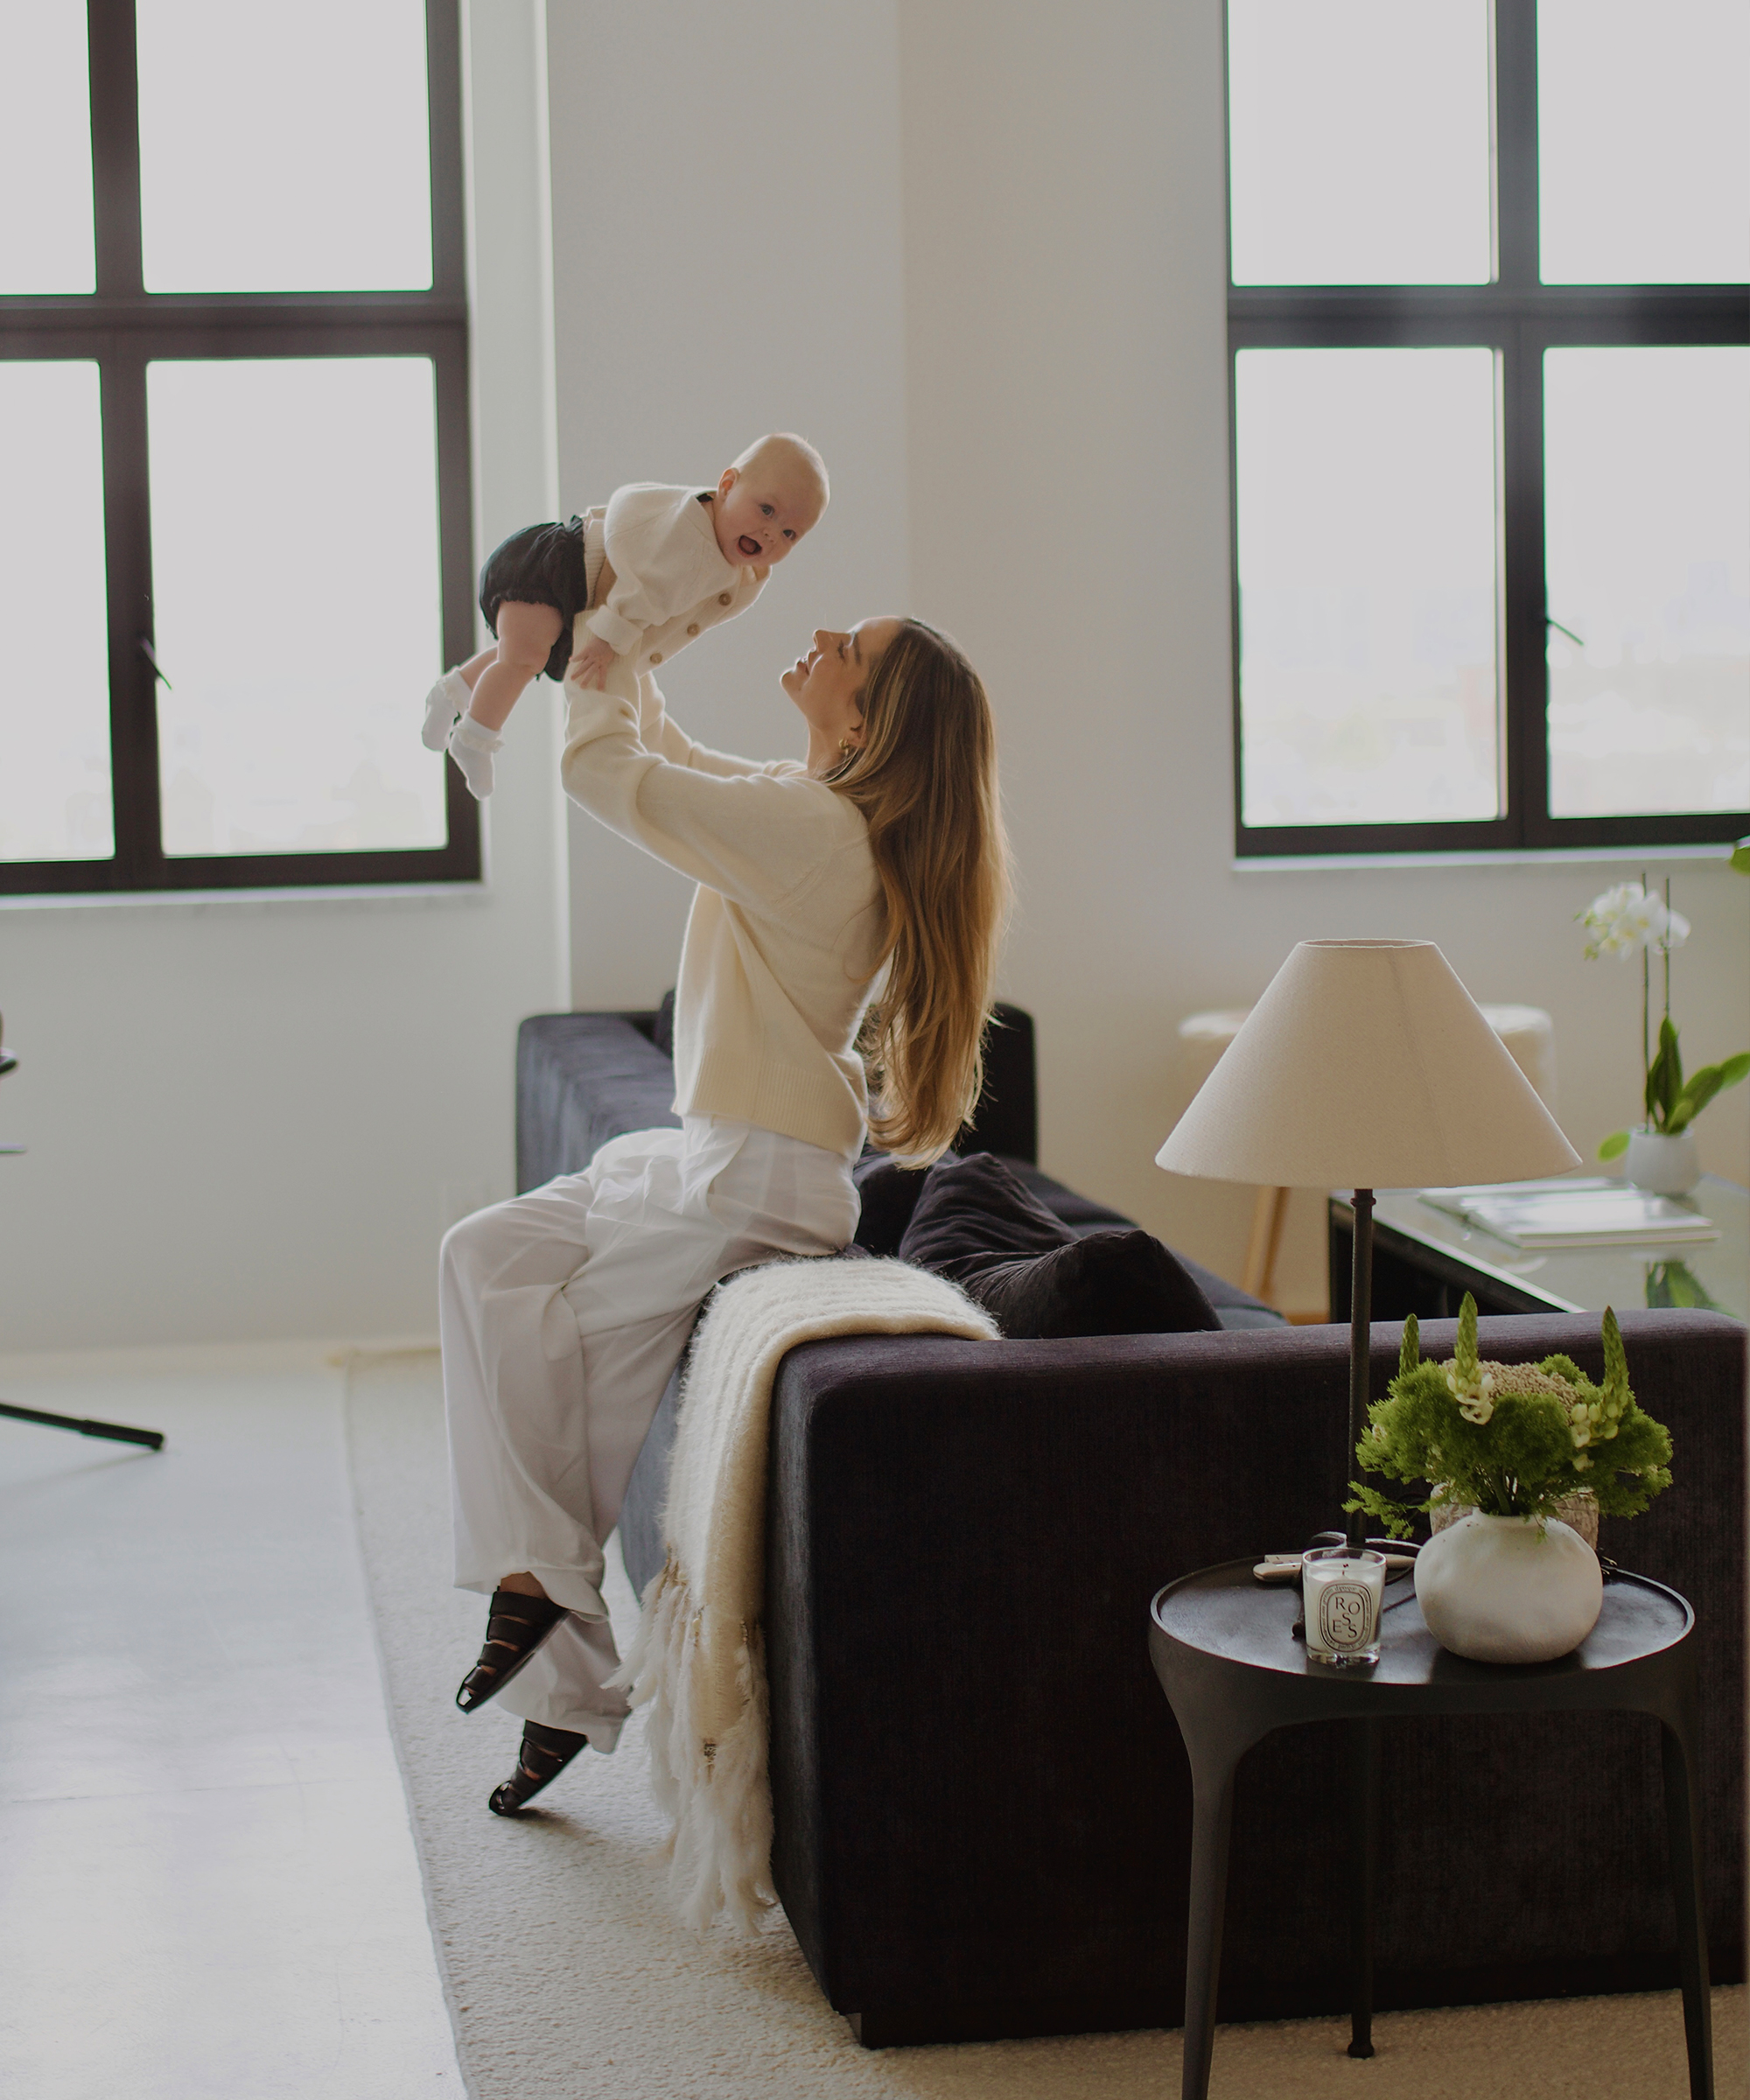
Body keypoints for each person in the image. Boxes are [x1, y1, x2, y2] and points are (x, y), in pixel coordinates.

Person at [439, 614, 1008, 1815]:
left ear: (867, 717)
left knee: (564, 1372)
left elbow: (606, 774)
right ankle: (551, 1598)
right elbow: (674, 754)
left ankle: (563, 1663)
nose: (823, 631)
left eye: (852, 640)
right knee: (485, 1255)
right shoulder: (806, 802)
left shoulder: (813, 831)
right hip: (723, 1152)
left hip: (752, 1175)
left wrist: (589, 681)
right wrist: (623, 644)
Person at [421, 432, 829, 799]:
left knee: (524, 650)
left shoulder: (738, 567)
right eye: (766, 510)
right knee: (523, 658)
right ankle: (475, 736)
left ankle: (452, 692)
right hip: (557, 573)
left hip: (576, 594)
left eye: (791, 533)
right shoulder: (689, 533)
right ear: (727, 486)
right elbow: (642, 588)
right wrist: (606, 641)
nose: (772, 533)